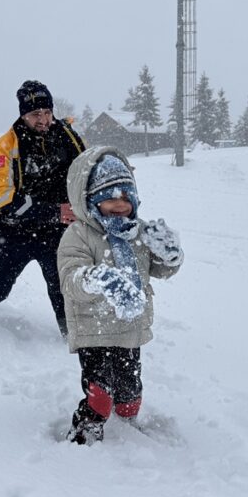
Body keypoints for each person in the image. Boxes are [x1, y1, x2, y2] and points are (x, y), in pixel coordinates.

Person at [57, 146, 183, 445]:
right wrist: (97, 278)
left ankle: (128, 422)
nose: (119, 204)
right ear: (89, 199)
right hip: (94, 329)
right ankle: (85, 429)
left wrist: (169, 256)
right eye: (110, 197)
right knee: (100, 395)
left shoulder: (138, 231)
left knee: (130, 394)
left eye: (126, 197)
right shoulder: (78, 235)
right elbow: (71, 279)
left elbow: (159, 270)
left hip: (130, 328)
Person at [0, 80, 86, 338]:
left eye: (47, 112)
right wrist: (54, 211)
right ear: (23, 114)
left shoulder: (66, 134)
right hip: (15, 231)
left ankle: (74, 336)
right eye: (36, 114)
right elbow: (3, 197)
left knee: (62, 288)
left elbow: (87, 165)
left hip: (57, 232)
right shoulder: (5, 145)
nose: (44, 119)